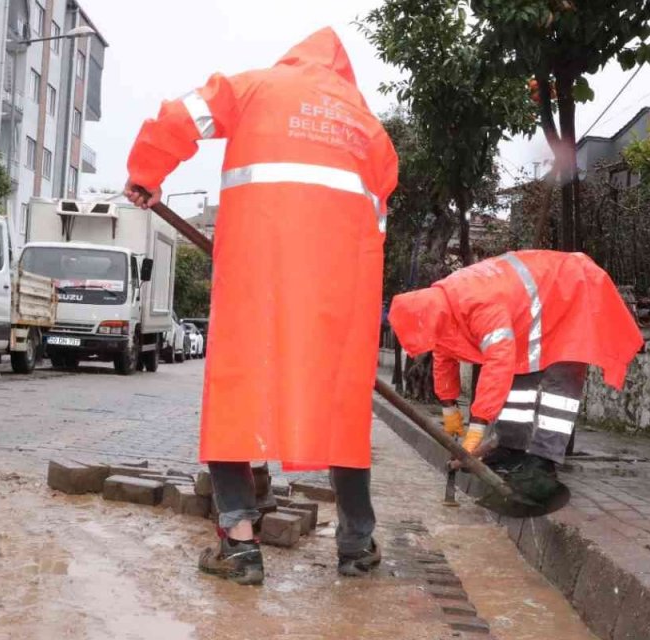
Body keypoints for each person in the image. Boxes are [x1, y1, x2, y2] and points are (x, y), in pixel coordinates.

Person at [123, 28, 398, 586]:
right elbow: (379, 221)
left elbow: (180, 115)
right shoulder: (369, 128)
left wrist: (147, 173)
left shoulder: (256, 88)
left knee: (236, 394)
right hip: (339, 293)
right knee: (342, 411)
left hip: (258, 277)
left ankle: (241, 546)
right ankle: (357, 547)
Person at [387, 250, 644, 510]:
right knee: (518, 384)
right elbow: (443, 351)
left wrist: (477, 425)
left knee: (560, 389)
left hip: (571, 295)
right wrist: (449, 406)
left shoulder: (478, 304)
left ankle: (545, 460)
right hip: (535, 313)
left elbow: (498, 364)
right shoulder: (443, 303)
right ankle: (511, 448)